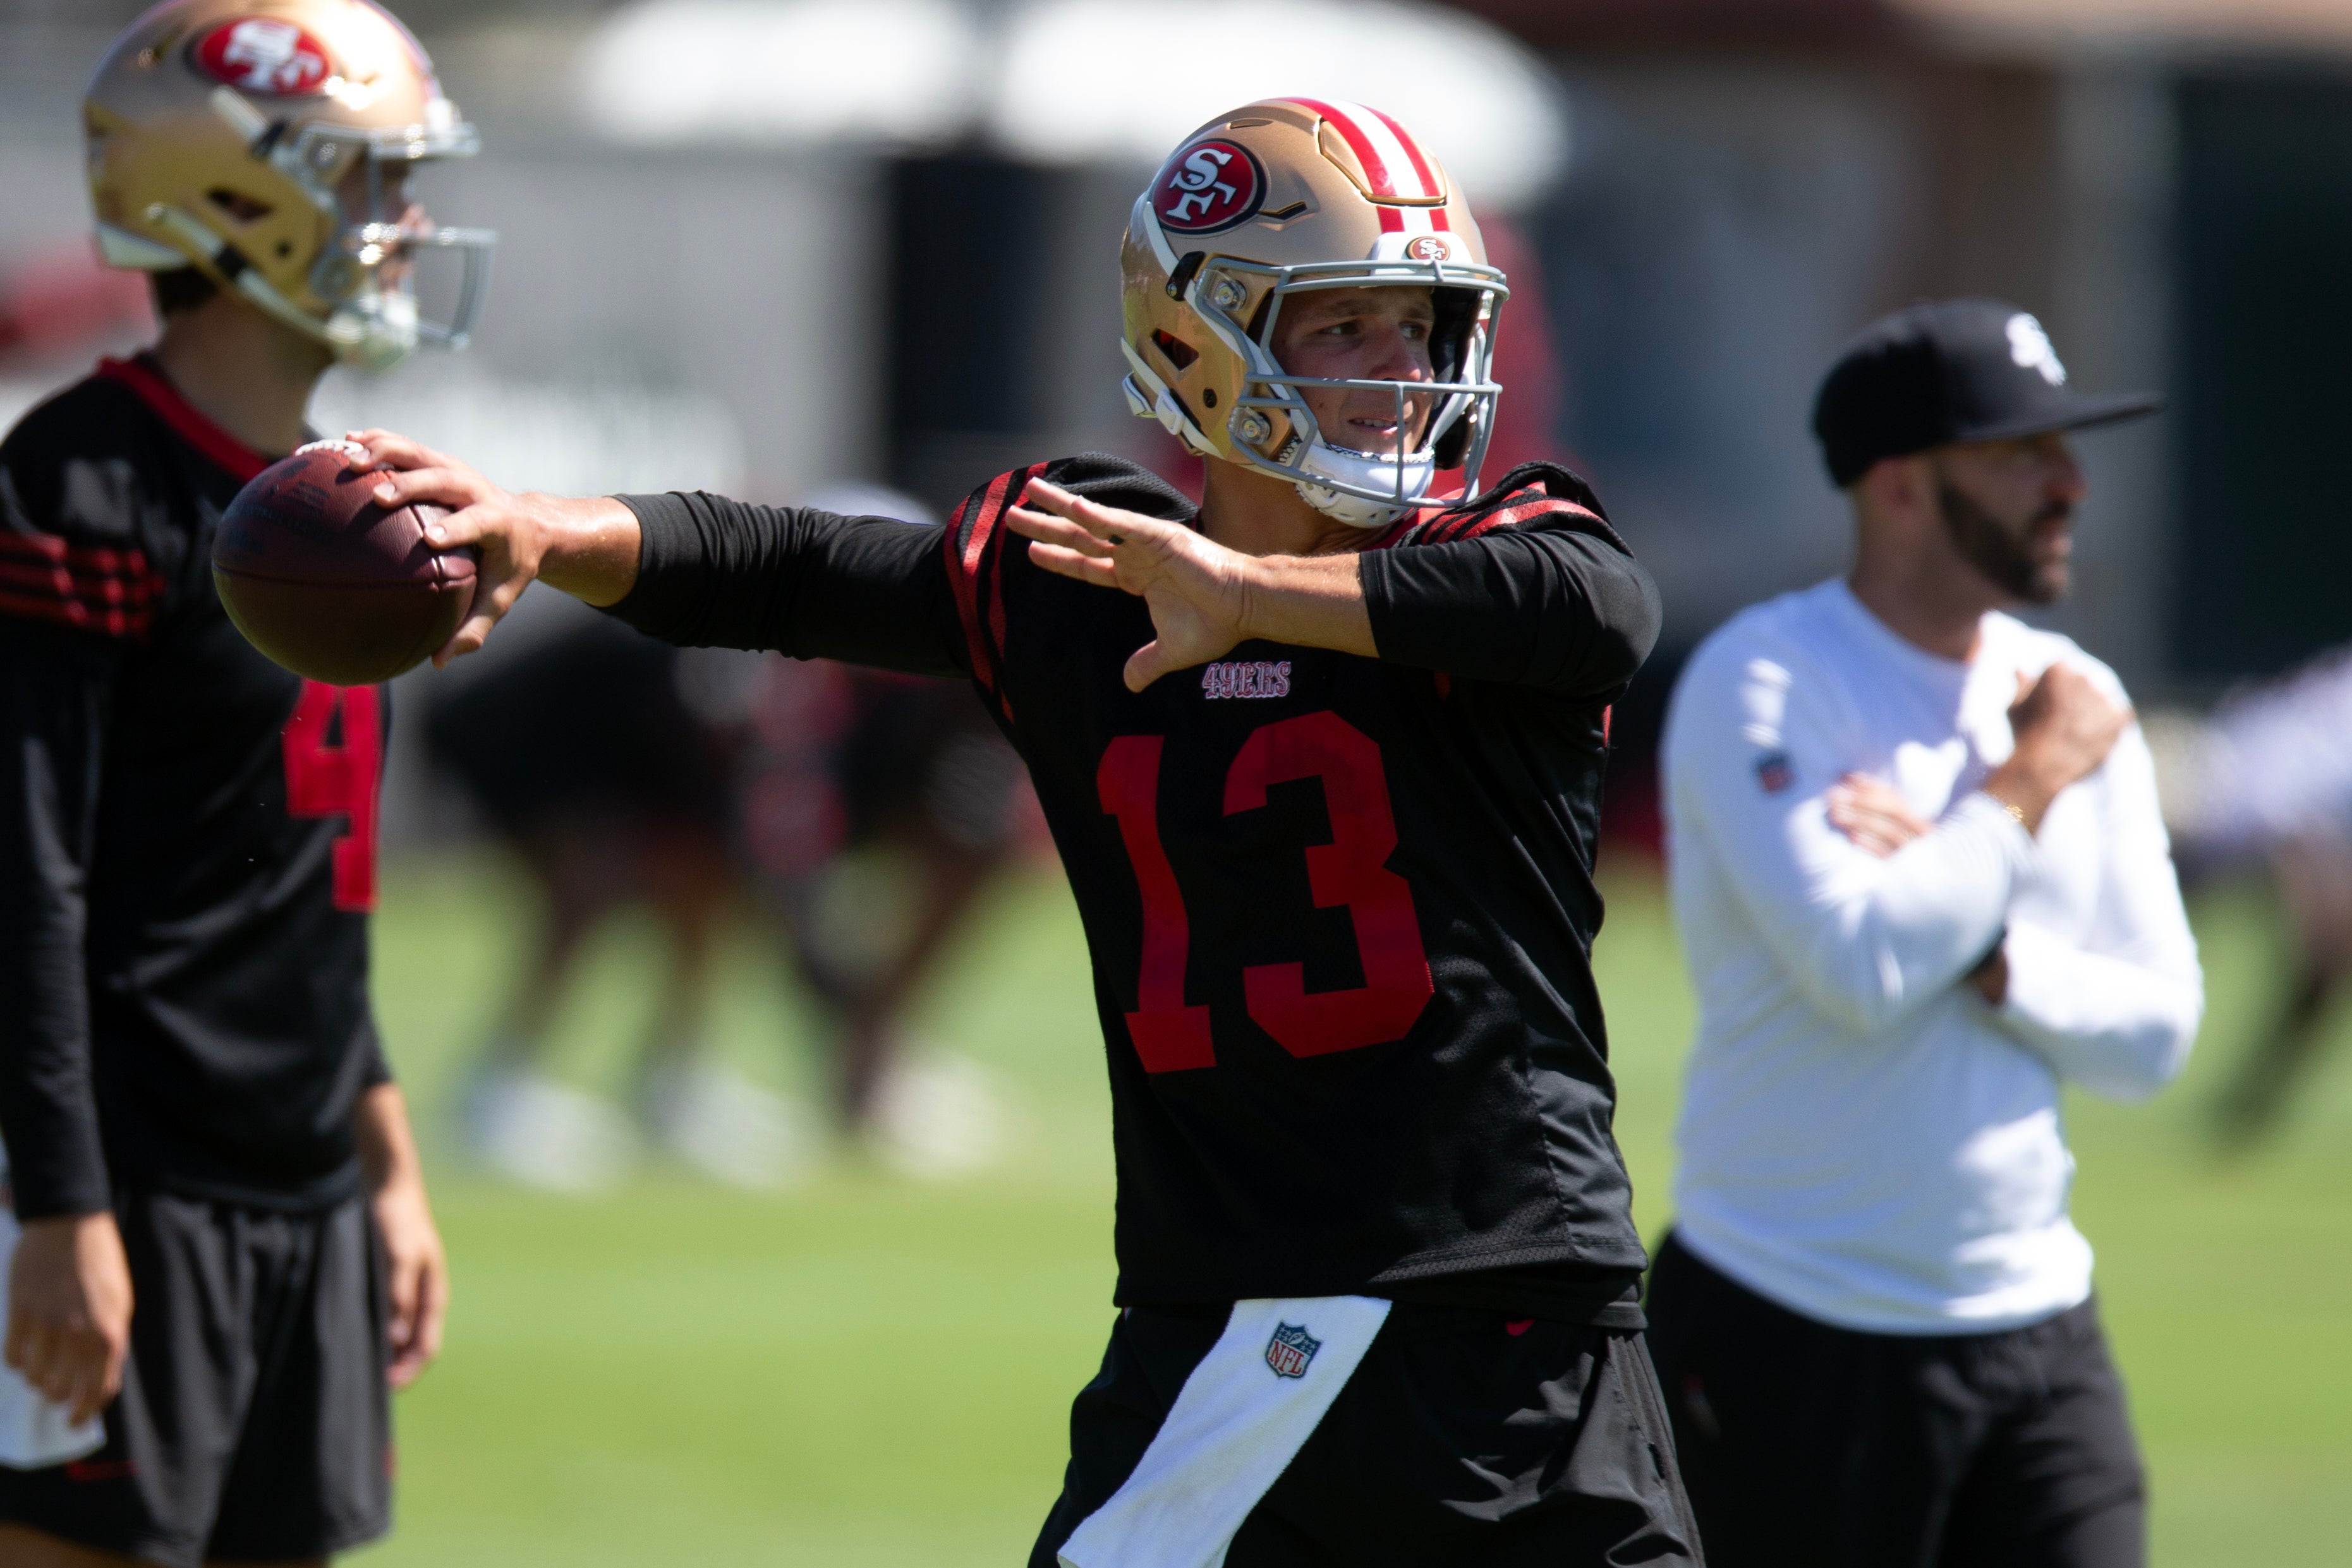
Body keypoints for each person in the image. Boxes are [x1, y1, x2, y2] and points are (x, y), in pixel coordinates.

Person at [346, 98, 1700, 1566]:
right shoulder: (1083, 577)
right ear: (1201, 338)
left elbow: (1595, 611)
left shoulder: (1493, 565)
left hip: (1506, 1311)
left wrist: (1248, 598)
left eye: (1420, 330)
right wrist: (549, 529)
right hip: (1233, 1315)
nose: (1400, 377)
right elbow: (791, 568)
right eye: (1344, 328)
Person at [0, 2, 485, 1561]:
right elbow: (27, 871)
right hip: (128, 1182)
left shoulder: (341, 521)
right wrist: (58, 1207)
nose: (405, 224)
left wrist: (385, 1153)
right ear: (233, 195)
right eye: (370, 180)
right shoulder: (82, 481)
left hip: (303, 1189)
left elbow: (306, 883)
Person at [1647, 298, 2203, 1567]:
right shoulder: (1765, 675)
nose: (2067, 484)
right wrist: (2020, 789)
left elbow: (2156, 1035)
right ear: (1898, 485)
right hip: (1781, 1325)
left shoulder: (2075, 695)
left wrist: (1992, 950)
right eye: (2022, 455)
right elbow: (1858, 964)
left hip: (2033, 1328)